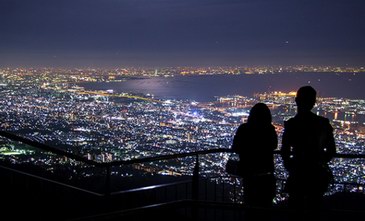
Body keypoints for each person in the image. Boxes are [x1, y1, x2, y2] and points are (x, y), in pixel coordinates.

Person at [281, 86, 336, 212]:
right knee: (314, 210)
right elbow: (331, 150)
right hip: (316, 176)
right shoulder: (323, 124)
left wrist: (292, 166)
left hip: (297, 175)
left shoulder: (291, 125)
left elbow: (284, 151)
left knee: (296, 210)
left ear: (296, 101)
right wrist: (320, 162)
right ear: (313, 102)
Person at [232, 103, 277, 208]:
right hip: (266, 173)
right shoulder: (269, 129)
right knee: (266, 206)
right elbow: (274, 146)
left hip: (249, 173)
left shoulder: (244, 128)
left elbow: (235, 147)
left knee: (250, 205)